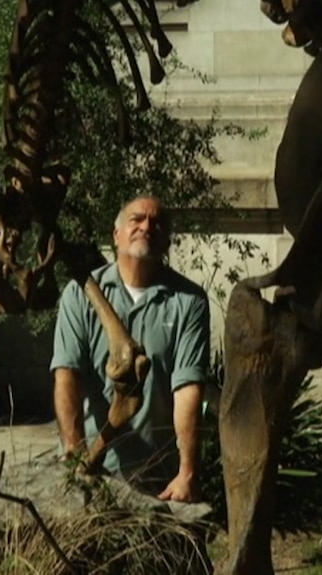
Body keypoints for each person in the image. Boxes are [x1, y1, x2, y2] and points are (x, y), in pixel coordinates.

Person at [50, 195, 210, 502]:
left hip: (158, 479)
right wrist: (75, 454)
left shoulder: (188, 301)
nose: (147, 226)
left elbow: (188, 389)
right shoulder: (78, 294)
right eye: (136, 219)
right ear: (116, 235)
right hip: (93, 472)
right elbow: (66, 375)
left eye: (157, 222)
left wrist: (187, 472)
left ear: (167, 243)